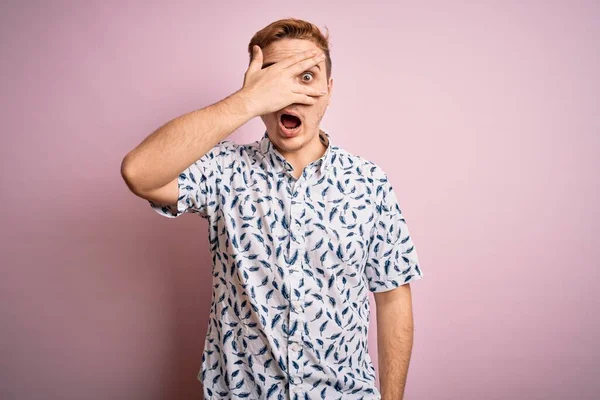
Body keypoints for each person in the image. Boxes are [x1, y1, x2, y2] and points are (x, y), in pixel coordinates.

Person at [121, 17, 423, 400]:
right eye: (275, 78)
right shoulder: (225, 171)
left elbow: (394, 299)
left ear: (329, 91)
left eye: (307, 77)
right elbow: (139, 173)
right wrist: (247, 101)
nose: (289, 94)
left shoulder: (370, 183)